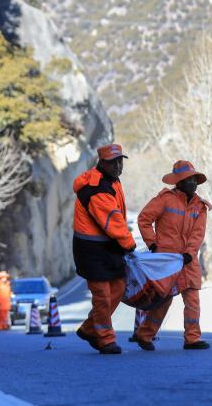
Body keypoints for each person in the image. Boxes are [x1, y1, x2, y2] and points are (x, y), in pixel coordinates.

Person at [135, 160, 212, 350]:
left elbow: (198, 234)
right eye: (188, 179)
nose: (193, 183)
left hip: (188, 261)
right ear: (179, 182)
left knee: (192, 300)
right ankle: (145, 335)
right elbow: (144, 219)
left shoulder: (200, 206)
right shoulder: (165, 199)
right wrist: (152, 243)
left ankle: (192, 338)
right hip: (166, 261)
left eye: (194, 179)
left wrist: (189, 253)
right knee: (163, 301)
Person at [72, 144, 136, 354]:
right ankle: (106, 339)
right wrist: (129, 244)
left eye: (120, 161)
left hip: (108, 246)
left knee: (118, 287)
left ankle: (90, 329)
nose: (118, 166)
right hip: (91, 249)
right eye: (112, 162)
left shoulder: (111, 181)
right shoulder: (97, 187)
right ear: (102, 163)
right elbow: (112, 220)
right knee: (102, 295)